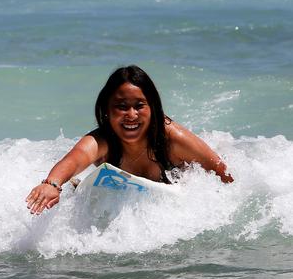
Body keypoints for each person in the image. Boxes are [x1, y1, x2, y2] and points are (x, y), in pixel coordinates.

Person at [26, 65, 234, 215]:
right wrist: (52, 184)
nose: (131, 115)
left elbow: (223, 174)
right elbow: (75, 158)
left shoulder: (172, 139)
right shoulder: (103, 140)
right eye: (121, 106)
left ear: (153, 108)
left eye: (139, 105)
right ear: (107, 110)